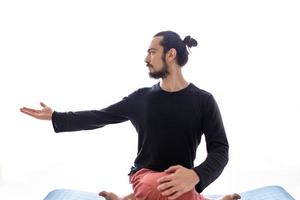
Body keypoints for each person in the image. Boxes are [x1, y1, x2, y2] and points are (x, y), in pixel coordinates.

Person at [20, 31, 240, 200]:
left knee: (172, 188)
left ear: (170, 55)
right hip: (144, 176)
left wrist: (196, 175)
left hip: (181, 182)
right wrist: (56, 116)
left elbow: (220, 149)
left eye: (152, 52)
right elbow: (100, 116)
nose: (146, 58)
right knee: (164, 187)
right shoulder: (142, 98)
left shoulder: (204, 100)